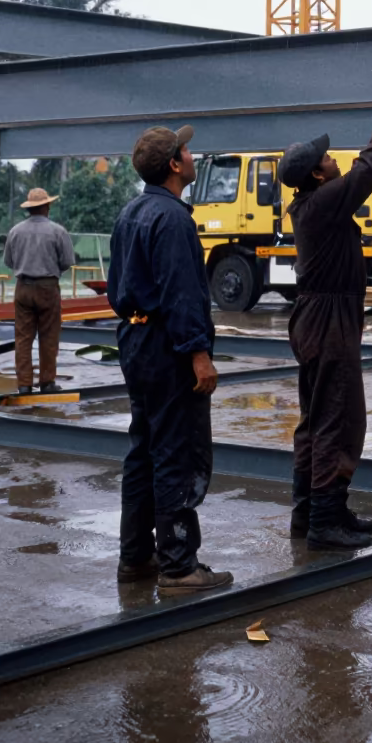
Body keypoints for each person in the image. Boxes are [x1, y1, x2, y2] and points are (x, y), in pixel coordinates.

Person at [280, 81, 372, 550]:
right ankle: (324, 521)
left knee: (318, 419)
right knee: (338, 417)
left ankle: (310, 511)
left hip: (319, 318)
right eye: (327, 159)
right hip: (327, 323)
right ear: (316, 174)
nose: (335, 159)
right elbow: (369, 169)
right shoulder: (324, 202)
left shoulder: (313, 204)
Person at [108, 124, 232, 595]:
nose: (192, 151)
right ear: (175, 165)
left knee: (143, 449)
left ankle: (136, 557)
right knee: (175, 452)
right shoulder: (174, 219)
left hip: (136, 343)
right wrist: (199, 355)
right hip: (167, 348)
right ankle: (179, 565)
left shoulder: (131, 212)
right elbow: (182, 295)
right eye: (186, 148)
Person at [3, 187, 75, 395]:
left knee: (23, 338)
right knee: (48, 336)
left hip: (23, 288)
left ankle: (24, 384)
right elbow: (67, 262)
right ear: (46, 206)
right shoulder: (58, 231)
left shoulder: (15, 231)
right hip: (47, 288)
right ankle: (47, 382)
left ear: (30, 208)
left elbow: (9, 261)